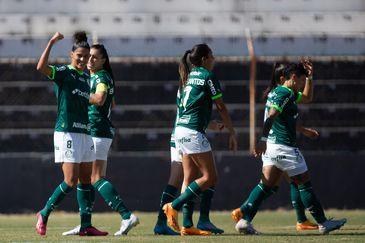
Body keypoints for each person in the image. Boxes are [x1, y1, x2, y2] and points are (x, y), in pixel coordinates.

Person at [231, 62, 346, 235]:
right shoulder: (284, 94)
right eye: (301, 80)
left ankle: (244, 221)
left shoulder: (283, 93)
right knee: (304, 184)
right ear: (293, 78)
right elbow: (271, 117)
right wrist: (261, 139)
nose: (302, 84)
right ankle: (323, 223)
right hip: (283, 147)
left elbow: (307, 98)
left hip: (272, 148)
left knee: (266, 185)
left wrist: (310, 77)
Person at [62, 44, 139, 236]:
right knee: (85, 179)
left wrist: (79, 95)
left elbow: (101, 98)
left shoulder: (101, 76)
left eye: (95, 58)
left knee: (95, 178)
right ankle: (85, 223)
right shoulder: (97, 76)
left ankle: (126, 215)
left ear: (104, 60)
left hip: (96, 130)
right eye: (89, 57)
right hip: (98, 130)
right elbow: (112, 102)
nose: (90, 60)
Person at [35, 31, 107, 236]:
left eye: (86, 56)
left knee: (86, 180)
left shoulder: (86, 76)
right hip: (67, 132)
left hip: (85, 132)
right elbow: (40, 68)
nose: (84, 60)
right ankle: (44, 213)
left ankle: (86, 226)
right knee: (70, 180)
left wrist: (101, 98)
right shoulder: (64, 73)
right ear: (71, 55)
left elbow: (89, 98)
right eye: (80, 56)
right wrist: (50, 41)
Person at [163, 43, 238, 236]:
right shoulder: (207, 76)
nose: (214, 59)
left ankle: (188, 225)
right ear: (204, 59)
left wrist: (210, 123)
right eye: (212, 56)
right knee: (210, 177)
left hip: (180, 131)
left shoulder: (186, 79)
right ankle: (174, 206)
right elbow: (221, 106)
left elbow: (191, 109)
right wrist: (231, 131)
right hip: (192, 133)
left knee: (190, 178)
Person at [154, 114, 225, 235]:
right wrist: (212, 124)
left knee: (185, 177)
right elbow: (192, 113)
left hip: (182, 132)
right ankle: (192, 221)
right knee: (203, 175)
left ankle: (173, 223)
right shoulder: (203, 94)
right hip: (187, 132)